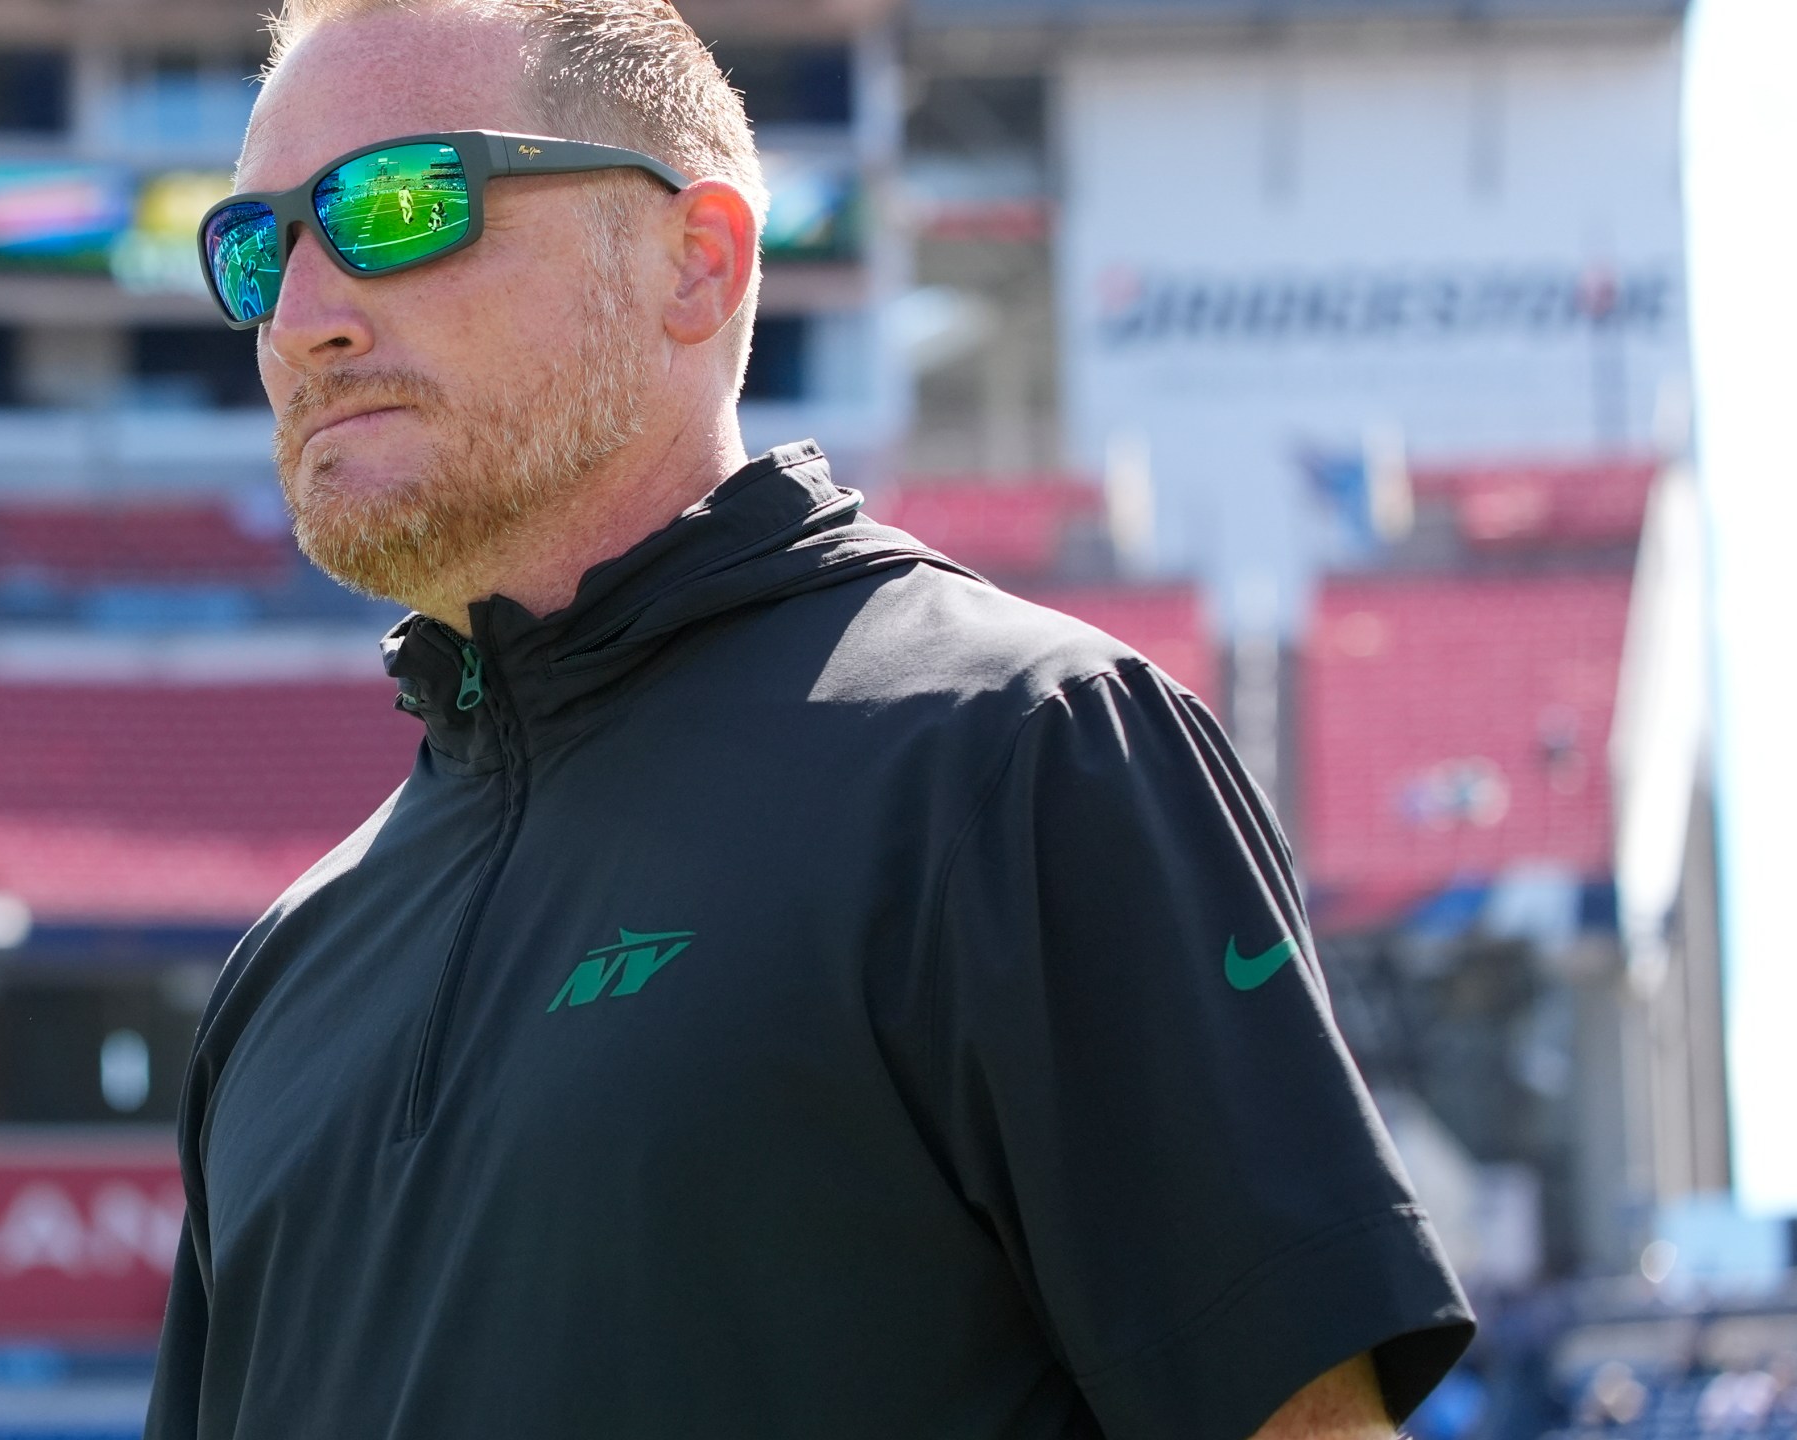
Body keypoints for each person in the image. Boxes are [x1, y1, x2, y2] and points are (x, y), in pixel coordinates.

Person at [151, 2, 1473, 1438]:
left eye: (395, 206)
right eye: (254, 246)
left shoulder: (1023, 754)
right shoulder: (287, 972)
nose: (301, 320)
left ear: (695, 264)